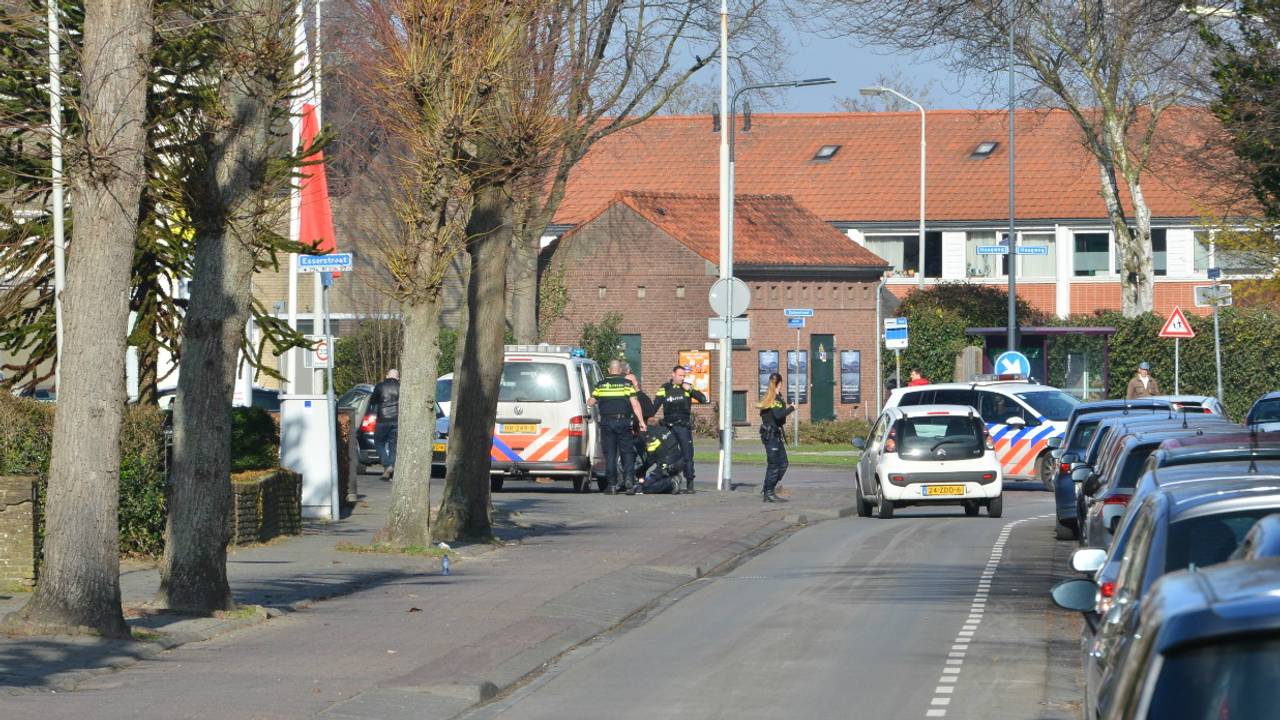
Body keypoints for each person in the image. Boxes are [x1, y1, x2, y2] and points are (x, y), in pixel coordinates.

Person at [587, 359, 647, 494]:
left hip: (607, 423)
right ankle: (629, 482)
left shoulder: (601, 385)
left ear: (609, 370)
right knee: (627, 453)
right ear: (620, 371)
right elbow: (635, 404)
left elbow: (591, 401)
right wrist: (642, 422)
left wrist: (589, 401)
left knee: (610, 455)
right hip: (624, 422)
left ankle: (612, 485)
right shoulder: (627, 384)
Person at [655, 365, 707, 494]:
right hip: (669, 426)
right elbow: (655, 405)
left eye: (684, 376)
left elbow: (703, 399)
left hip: (683, 426)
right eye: (680, 375)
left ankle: (690, 481)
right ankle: (669, 480)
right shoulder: (665, 388)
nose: (682, 378)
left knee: (687, 455)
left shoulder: (687, 388)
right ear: (673, 374)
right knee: (668, 454)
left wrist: (690, 390)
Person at [758, 372, 795, 503]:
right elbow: (778, 415)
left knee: (784, 463)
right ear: (780, 383)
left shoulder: (777, 397)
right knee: (774, 465)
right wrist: (791, 408)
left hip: (776, 434)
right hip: (771, 435)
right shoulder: (772, 398)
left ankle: (768, 487)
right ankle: (769, 492)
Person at [629, 420, 685, 495]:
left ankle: (671, 482)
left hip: (666, 464)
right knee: (655, 481)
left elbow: (651, 458)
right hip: (679, 462)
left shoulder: (647, 435)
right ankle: (671, 482)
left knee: (645, 487)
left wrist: (640, 472)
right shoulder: (661, 429)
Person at [369, 369, 400, 480]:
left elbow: (372, 401)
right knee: (393, 445)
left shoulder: (380, 386)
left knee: (378, 443)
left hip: (382, 420)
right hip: (397, 420)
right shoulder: (401, 387)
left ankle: (387, 465)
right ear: (398, 378)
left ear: (387, 376)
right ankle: (391, 465)